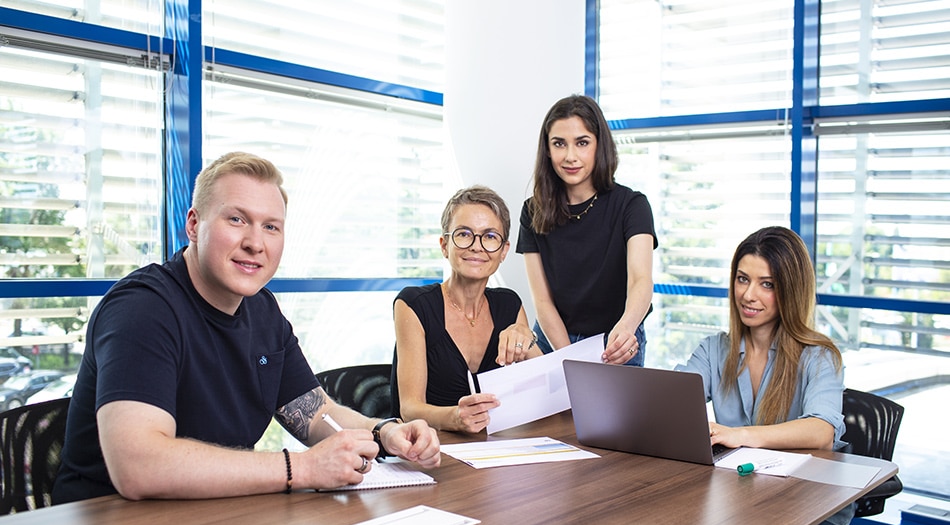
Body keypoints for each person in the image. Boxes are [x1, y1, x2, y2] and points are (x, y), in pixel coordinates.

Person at [53, 152, 441, 504]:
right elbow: (139, 468)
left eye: (271, 227)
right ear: (193, 224)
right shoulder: (142, 309)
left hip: (215, 518)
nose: (256, 243)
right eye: (237, 219)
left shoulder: (262, 309)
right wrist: (303, 468)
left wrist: (384, 432)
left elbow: (316, 413)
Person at [678, 226, 852, 525]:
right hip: (742, 498)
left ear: (791, 290)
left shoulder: (819, 356)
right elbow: (672, 399)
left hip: (810, 512)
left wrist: (741, 434)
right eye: (742, 279)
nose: (748, 294)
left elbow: (822, 432)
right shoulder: (715, 349)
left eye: (767, 284)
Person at [517, 94, 657, 366]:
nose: (570, 156)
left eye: (582, 143)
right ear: (547, 149)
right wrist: (569, 357)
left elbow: (640, 280)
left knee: (613, 411)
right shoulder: (532, 210)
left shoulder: (632, 205)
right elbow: (542, 302)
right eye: (559, 144)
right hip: (552, 339)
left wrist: (627, 327)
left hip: (617, 340)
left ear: (599, 145)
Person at [392, 186, 541, 433]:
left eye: (490, 236)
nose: (476, 246)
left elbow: (543, 393)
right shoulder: (414, 304)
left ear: (504, 251)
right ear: (444, 245)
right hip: (426, 449)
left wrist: (528, 339)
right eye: (464, 234)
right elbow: (409, 408)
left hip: (490, 451)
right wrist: (455, 417)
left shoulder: (509, 304)